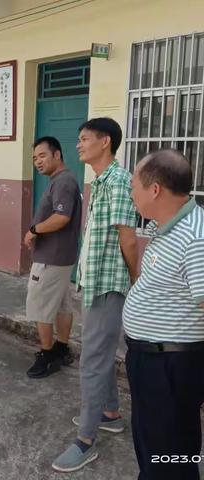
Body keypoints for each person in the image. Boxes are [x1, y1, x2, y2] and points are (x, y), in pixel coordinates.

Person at [52, 118, 138, 472]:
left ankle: (85, 441)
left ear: (106, 142)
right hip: (95, 280)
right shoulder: (101, 181)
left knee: (93, 360)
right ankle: (110, 413)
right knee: (99, 352)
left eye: (85, 139)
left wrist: (136, 283)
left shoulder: (118, 181)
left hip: (108, 284)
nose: (78, 145)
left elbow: (128, 238)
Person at [124, 149, 204, 480]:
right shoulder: (168, 227)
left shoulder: (196, 238)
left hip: (171, 367)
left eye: (134, 187)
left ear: (154, 189)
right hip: (152, 360)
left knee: (171, 454)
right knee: (155, 445)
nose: (131, 194)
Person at [23, 136, 81, 378]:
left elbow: (61, 217)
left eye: (42, 156)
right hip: (61, 256)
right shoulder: (61, 181)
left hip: (51, 258)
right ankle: (62, 348)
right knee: (61, 304)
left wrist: (33, 230)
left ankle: (47, 356)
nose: (38, 161)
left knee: (39, 306)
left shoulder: (63, 182)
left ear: (57, 155)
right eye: (34, 158)